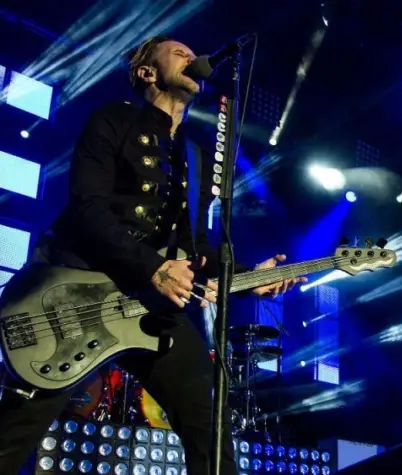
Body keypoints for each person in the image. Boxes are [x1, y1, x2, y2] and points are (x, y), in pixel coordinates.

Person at [0, 36, 307, 474]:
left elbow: (196, 246)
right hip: (74, 297)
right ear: (147, 72)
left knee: (209, 425)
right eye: (179, 53)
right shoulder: (111, 121)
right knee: (12, 438)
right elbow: (87, 208)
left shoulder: (196, 158)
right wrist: (155, 267)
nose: (192, 57)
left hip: (149, 310)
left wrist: (249, 275)